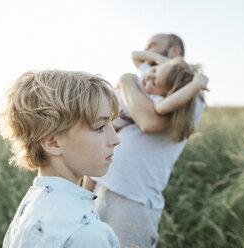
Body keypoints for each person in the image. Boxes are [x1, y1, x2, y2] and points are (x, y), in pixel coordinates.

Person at [85, 33, 207, 248]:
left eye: (154, 45)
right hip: (105, 185)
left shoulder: (188, 93)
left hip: (132, 197)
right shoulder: (147, 80)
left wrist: (125, 80)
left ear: (174, 51)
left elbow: (149, 121)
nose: (147, 48)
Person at [0, 70, 121, 248]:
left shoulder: (32, 203)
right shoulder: (88, 235)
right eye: (100, 127)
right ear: (53, 143)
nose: (115, 139)